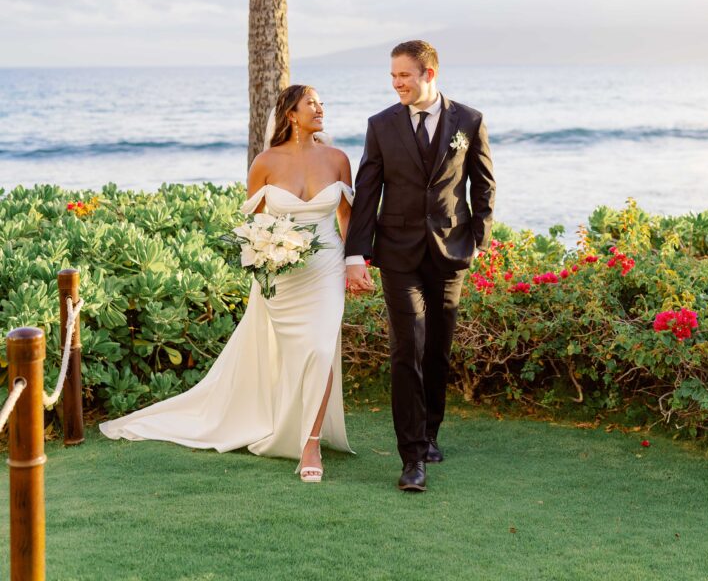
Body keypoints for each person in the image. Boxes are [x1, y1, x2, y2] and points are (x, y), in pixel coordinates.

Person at [100, 84, 362, 482]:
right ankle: (283, 420)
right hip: (282, 275)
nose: (321, 108)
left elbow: (347, 216)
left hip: (325, 269)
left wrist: (354, 262)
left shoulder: (339, 159)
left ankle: (310, 443)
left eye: (322, 102)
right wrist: (267, 253)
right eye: (312, 102)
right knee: (295, 354)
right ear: (291, 114)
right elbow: (253, 225)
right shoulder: (265, 163)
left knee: (321, 347)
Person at [345, 40, 495, 492]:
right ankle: (411, 458)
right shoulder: (381, 125)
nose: (396, 84)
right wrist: (357, 254)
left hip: (450, 252)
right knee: (406, 346)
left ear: (429, 72)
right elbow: (367, 190)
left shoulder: (468, 120)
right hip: (398, 253)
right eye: (393, 76)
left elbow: (484, 184)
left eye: (404, 75)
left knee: (437, 350)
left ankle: (429, 434)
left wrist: (479, 239)